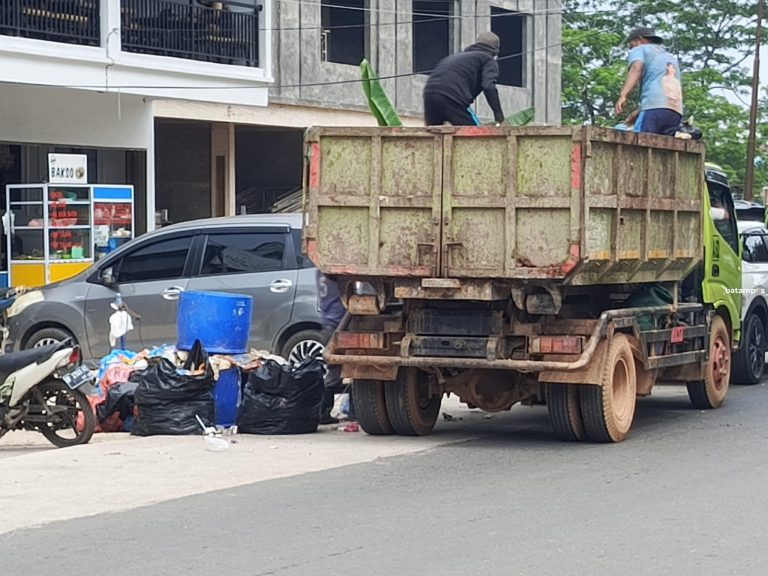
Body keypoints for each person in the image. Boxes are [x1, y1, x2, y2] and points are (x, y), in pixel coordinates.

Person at [423, 31, 505, 126]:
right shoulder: (488, 59)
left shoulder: (455, 57)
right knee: (473, 137)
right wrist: (499, 118)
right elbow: (488, 86)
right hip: (451, 97)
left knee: (433, 137)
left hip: (429, 95)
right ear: (495, 51)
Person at [615, 27, 684, 136]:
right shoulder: (670, 57)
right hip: (676, 111)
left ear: (640, 40)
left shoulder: (641, 49)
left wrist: (623, 95)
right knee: (661, 150)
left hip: (654, 109)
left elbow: (636, 68)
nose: (631, 49)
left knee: (639, 144)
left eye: (631, 45)